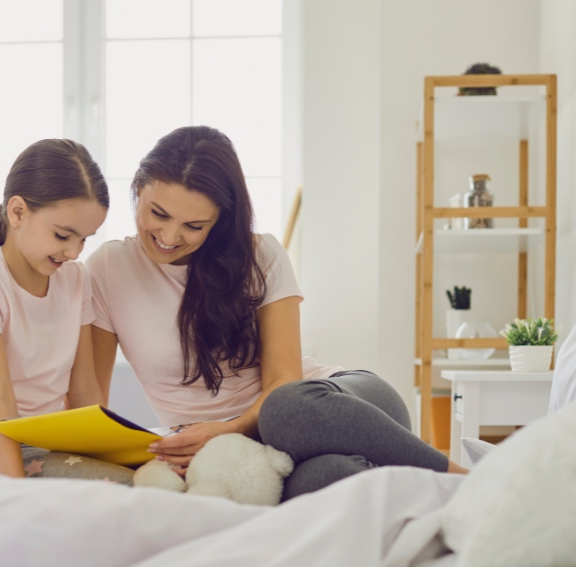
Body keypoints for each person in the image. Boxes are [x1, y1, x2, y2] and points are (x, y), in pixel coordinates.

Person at [86, 126, 466, 501]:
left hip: (332, 406)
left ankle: (464, 479)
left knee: (283, 409)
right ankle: (414, 491)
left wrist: (228, 430)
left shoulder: (260, 255)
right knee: (330, 478)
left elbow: (285, 381)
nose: (169, 236)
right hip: (264, 454)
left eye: (193, 226)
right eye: (158, 214)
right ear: (138, 188)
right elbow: (93, 404)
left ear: (219, 219)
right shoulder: (107, 268)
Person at [0, 139, 133, 483]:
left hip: (48, 443)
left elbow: (84, 391)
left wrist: (120, 456)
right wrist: (15, 492)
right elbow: (0, 402)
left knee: (155, 479)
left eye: (84, 239)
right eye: (62, 235)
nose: (74, 252)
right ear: (17, 212)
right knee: (126, 488)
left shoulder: (75, 279)